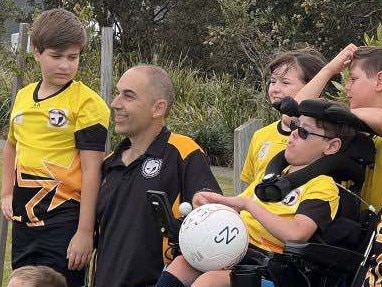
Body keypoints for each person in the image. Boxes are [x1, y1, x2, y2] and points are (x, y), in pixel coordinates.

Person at [155, 99, 357, 287]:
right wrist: (213, 202)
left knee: (209, 282)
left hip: (275, 265)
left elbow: (297, 234)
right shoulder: (272, 176)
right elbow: (239, 204)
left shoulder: (323, 186)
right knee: (181, 264)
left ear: (331, 146)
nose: (294, 133)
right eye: (295, 126)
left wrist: (250, 205)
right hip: (238, 250)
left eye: (304, 132)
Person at [1, 8, 110, 287]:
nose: (65, 65)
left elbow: (91, 169)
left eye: (72, 58)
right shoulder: (24, 96)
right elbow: (12, 145)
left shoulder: (87, 103)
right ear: (36, 52)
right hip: (25, 221)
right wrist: (6, 192)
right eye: (56, 56)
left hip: (65, 220)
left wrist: (85, 231)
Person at [94, 64, 222, 287]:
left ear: (158, 108)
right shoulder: (108, 164)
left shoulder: (184, 153)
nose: (115, 103)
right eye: (117, 93)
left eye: (128, 96)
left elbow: (213, 228)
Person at [287, 45, 382, 287]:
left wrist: (338, 113)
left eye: (353, 79)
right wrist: (330, 68)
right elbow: (294, 112)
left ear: (379, 80)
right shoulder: (359, 129)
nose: (347, 88)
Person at [241, 48, 327, 187]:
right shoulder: (260, 136)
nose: (275, 89)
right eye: (273, 81)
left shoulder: (322, 138)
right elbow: (250, 187)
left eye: (285, 83)